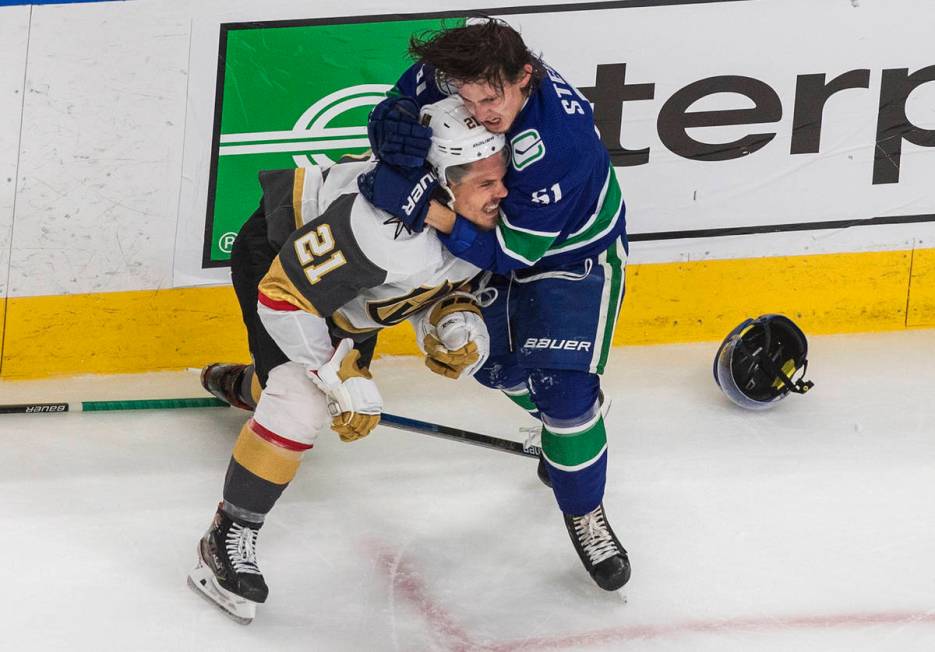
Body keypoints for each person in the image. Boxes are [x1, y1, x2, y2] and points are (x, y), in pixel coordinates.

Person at [190, 97, 506, 624]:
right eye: (486, 183)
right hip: (279, 252)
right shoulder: (382, 231)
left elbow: (432, 283)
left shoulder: (477, 208)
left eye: (502, 177)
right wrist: (334, 373)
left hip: (352, 286)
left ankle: (248, 387)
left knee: (296, 388)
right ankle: (225, 537)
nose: (503, 193)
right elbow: (283, 298)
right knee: (302, 400)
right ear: (444, 187)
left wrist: (453, 318)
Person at [358, 18, 631, 592]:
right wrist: (389, 123)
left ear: (524, 76)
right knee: (494, 365)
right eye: (468, 98)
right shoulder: (458, 76)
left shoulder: (558, 143)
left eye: (492, 98)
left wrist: (423, 208)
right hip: (487, 230)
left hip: (571, 253)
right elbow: (403, 100)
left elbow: (509, 254)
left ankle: (586, 513)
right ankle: (568, 433)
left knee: (565, 394)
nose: (481, 111)